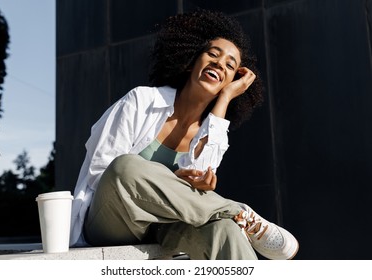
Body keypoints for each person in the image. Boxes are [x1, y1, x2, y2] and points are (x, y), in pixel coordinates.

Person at [69, 9, 299, 260]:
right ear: (192, 60)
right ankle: (237, 211)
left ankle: (235, 219)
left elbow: (195, 200)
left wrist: (223, 99)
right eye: (212, 54)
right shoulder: (141, 100)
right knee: (125, 167)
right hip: (112, 218)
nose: (219, 64)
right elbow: (100, 173)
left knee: (226, 230)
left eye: (230, 65)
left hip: (164, 224)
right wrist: (164, 182)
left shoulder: (213, 132)